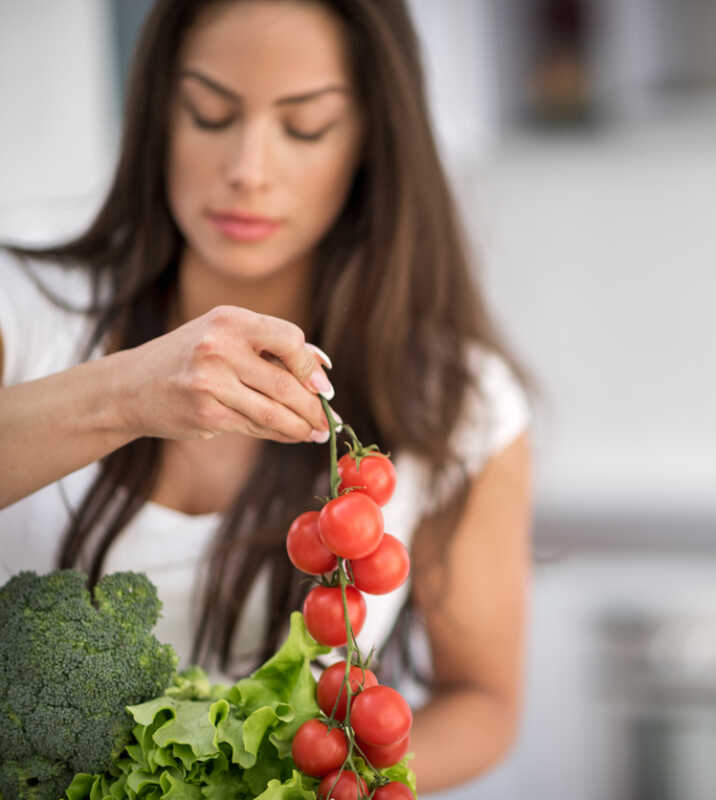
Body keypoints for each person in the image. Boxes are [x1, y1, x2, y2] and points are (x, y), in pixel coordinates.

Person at [0, 0, 532, 793]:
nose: (248, 167)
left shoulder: (461, 401)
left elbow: (482, 702)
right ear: (158, 119)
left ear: (369, 144)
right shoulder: (21, 306)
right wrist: (127, 394)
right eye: (209, 114)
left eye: (306, 126)